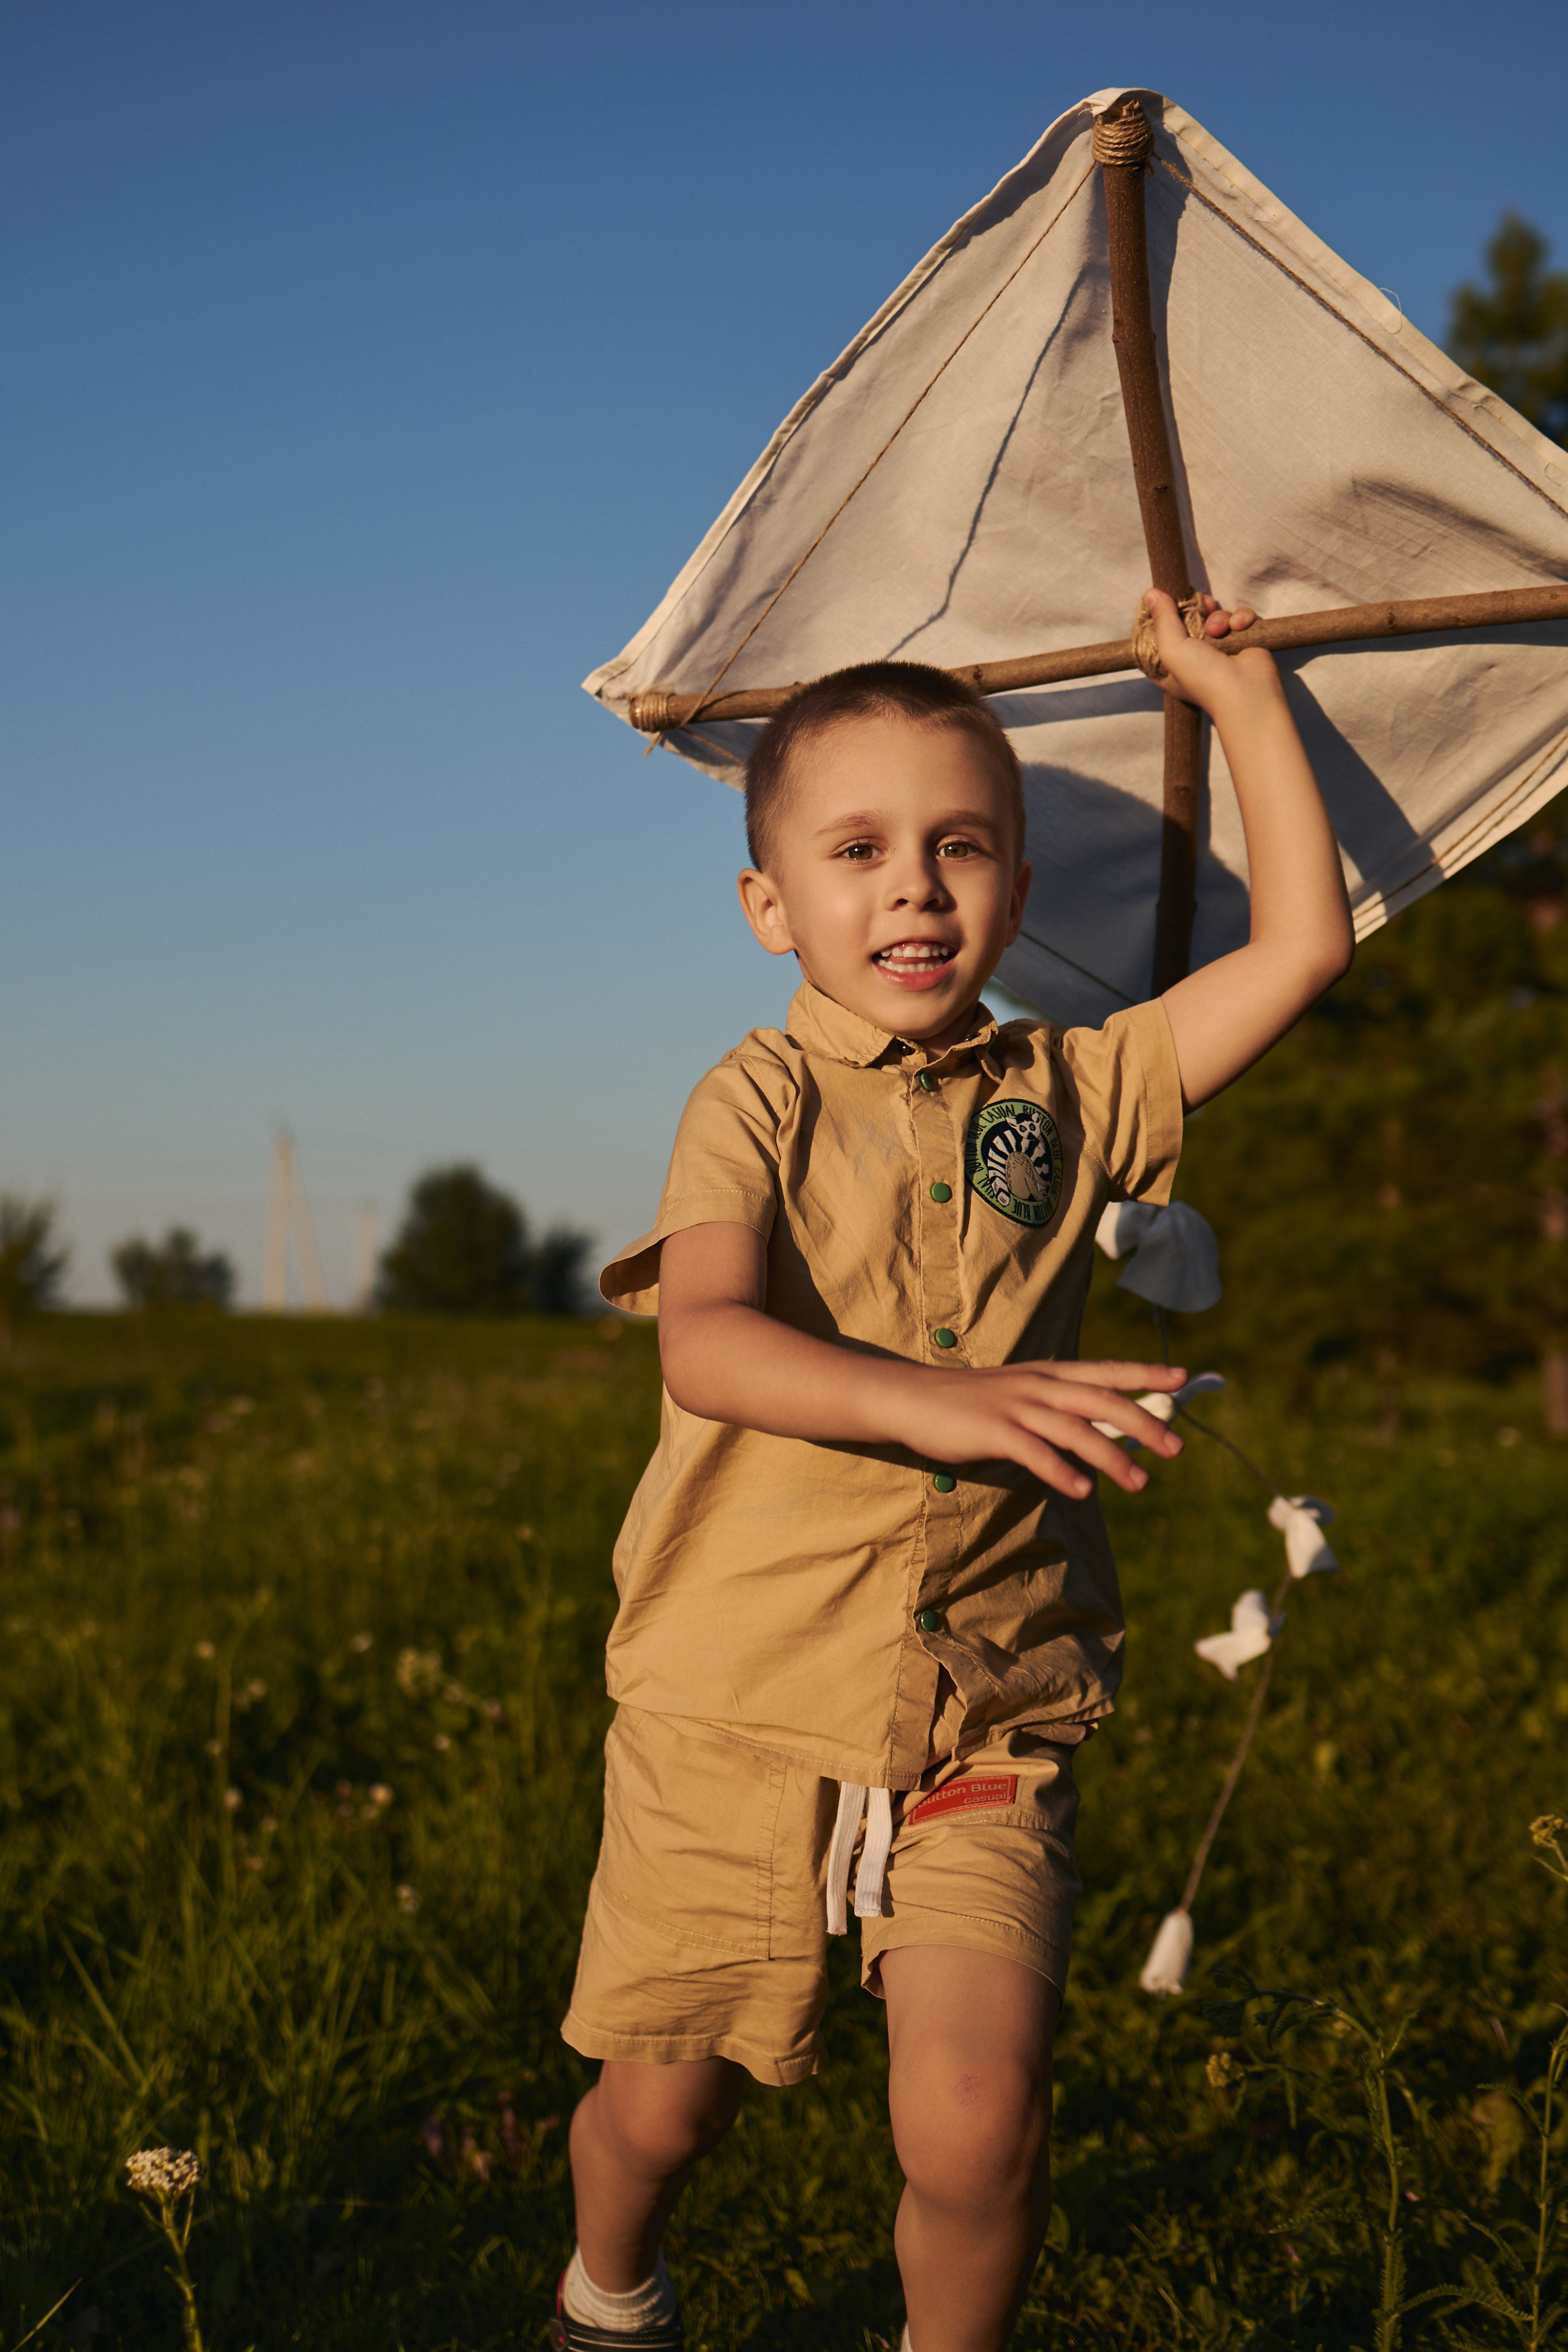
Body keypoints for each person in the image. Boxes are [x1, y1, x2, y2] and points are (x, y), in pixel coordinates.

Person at [547, 590, 1354, 2352]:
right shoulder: (752, 1098)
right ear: (772, 907)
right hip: (738, 1699)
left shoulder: (1071, 1090)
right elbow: (707, 1340)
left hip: (987, 1696)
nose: (913, 885)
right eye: (857, 848)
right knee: (664, 2114)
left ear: (1016, 893)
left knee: (978, 2123)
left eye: (960, 847)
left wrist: (1236, 694)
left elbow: (1302, 948)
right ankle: (609, 2291)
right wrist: (956, 1405)